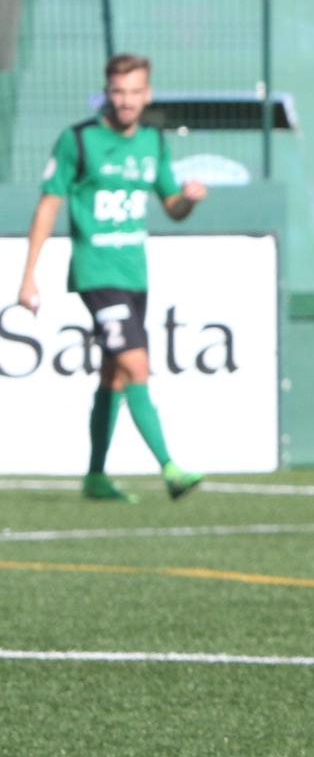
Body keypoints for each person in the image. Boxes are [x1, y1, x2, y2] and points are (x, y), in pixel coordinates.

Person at [16, 54, 206, 502]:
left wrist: (190, 199)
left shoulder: (153, 143)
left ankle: (96, 476)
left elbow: (172, 207)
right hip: (97, 273)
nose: (126, 101)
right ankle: (171, 468)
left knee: (115, 376)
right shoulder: (78, 140)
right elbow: (48, 205)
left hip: (134, 274)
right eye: (118, 92)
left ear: (148, 94)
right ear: (107, 92)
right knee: (137, 364)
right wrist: (29, 276)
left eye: (135, 92)